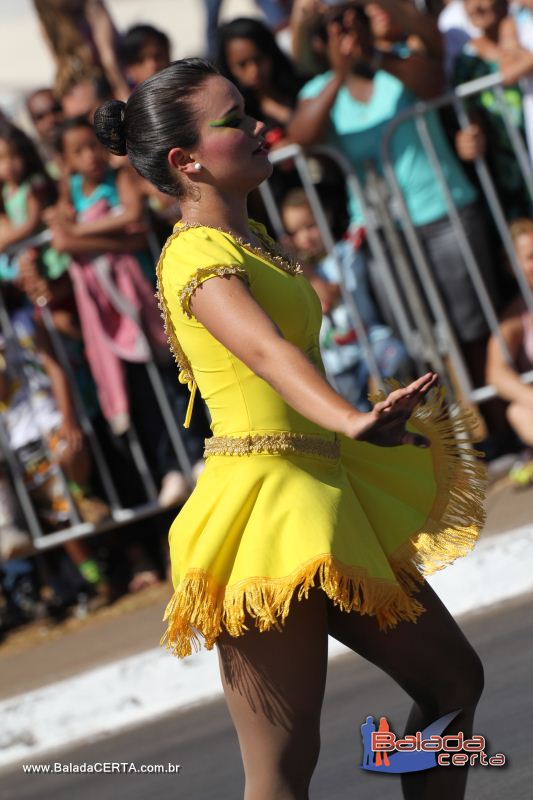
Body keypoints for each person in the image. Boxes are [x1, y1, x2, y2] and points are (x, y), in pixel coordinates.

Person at [94, 58, 486, 800]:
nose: (255, 127)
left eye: (248, 112)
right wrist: (349, 417)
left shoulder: (254, 236)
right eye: (232, 121)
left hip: (324, 492)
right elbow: (267, 355)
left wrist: (358, 432)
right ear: (185, 162)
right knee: (279, 769)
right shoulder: (196, 256)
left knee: (452, 679)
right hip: (261, 512)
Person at [280, 187, 412, 410]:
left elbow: (330, 295)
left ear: (326, 219)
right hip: (335, 362)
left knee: (394, 358)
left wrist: (304, 269)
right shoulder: (295, 274)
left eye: (310, 226)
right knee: (355, 415)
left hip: (367, 345)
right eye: (295, 232)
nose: (305, 237)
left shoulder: (344, 254)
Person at [486, 217, 533, 484]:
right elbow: (495, 373)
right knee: (518, 412)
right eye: (530, 257)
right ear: (512, 266)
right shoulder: (515, 317)